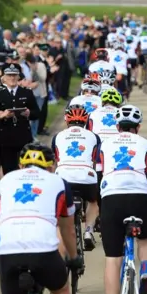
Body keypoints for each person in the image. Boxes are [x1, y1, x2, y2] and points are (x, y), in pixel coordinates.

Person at [0, 142, 81, 294]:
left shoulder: (5, 181)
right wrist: (74, 257)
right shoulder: (58, 182)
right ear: (51, 166)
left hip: (8, 248)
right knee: (60, 291)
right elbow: (67, 229)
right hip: (42, 248)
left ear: (21, 166)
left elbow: (1, 217)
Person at [95, 105, 147, 294]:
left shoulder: (103, 145)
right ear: (138, 127)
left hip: (111, 199)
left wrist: (100, 214)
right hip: (139, 197)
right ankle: (145, 270)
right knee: (146, 237)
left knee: (113, 260)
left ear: (116, 127)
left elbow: (99, 177)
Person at [51, 105, 101, 251]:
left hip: (63, 176)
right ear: (86, 121)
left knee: (61, 207)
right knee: (93, 201)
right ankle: (88, 231)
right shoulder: (93, 136)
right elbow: (94, 160)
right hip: (86, 176)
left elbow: (56, 159)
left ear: (67, 120)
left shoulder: (58, 136)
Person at [0, 64, 38, 177]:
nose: (12, 78)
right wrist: (3, 115)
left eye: (14, 75)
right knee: (8, 168)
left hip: (23, 136)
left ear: (18, 77)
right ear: (4, 78)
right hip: (6, 138)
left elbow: (37, 113)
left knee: (25, 167)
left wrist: (28, 113)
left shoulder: (27, 93)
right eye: (9, 75)